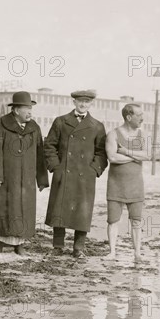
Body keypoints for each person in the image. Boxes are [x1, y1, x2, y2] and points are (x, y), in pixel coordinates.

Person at [44, 90, 108, 259]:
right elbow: (49, 146)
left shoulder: (97, 126)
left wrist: (94, 169)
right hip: (64, 172)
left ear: (91, 104)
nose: (83, 104)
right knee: (60, 208)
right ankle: (57, 246)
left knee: (83, 211)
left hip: (85, 176)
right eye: (80, 101)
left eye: (87, 102)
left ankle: (78, 247)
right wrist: (55, 167)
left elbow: (102, 153)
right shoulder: (61, 122)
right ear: (74, 102)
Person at [0, 92, 49, 255]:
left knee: (23, 209)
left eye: (31, 108)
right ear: (16, 110)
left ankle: (19, 245)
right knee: (2, 209)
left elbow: (40, 153)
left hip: (26, 179)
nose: (30, 112)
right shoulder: (1, 124)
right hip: (6, 177)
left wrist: (41, 179)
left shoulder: (34, 127)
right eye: (26, 108)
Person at [105, 103, 151, 262]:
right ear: (129, 117)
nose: (142, 118)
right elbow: (112, 157)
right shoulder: (113, 134)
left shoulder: (143, 135)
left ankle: (137, 253)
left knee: (136, 220)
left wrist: (125, 151)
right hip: (116, 184)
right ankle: (112, 252)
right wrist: (135, 156)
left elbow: (147, 156)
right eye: (139, 115)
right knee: (113, 220)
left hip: (136, 185)